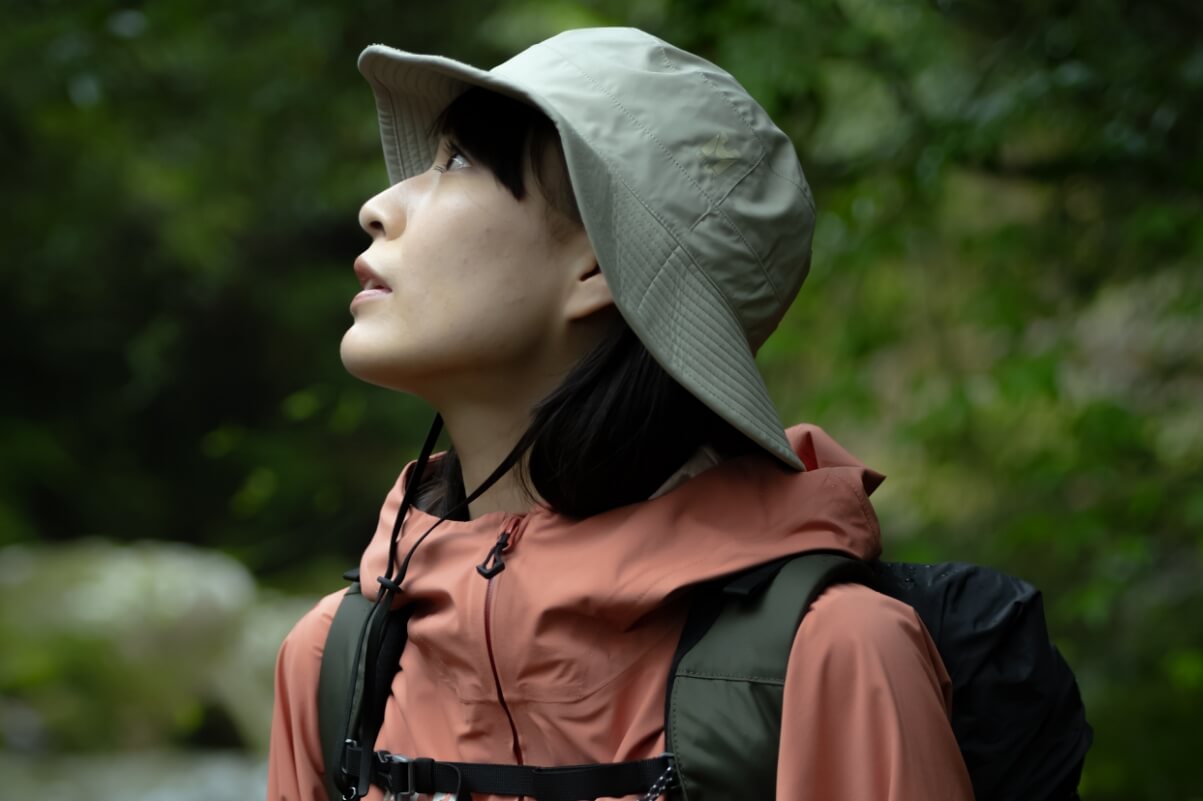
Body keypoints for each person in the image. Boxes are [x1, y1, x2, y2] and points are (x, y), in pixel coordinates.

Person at [267, 27, 975, 801]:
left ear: (598, 262)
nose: (377, 207)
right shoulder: (335, 665)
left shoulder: (830, 657)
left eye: (458, 161)